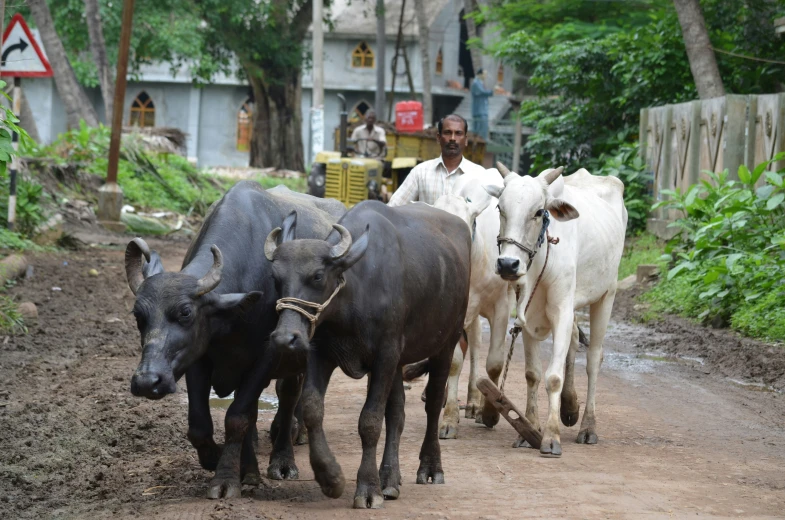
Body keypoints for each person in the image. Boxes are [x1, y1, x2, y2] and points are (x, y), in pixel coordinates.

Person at [388, 114, 488, 207]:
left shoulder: (479, 175)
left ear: (466, 140)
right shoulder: (421, 172)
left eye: (458, 133)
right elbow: (394, 207)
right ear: (438, 138)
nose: (452, 138)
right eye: (447, 133)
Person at [471, 68, 494, 140]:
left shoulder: (480, 83)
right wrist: (492, 91)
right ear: (480, 74)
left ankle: (483, 139)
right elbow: (482, 92)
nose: (486, 76)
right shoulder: (475, 83)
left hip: (483, 109)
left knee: (484, 126)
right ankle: (480, 140)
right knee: (479, 127)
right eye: (485, 74)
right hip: (479, 109)